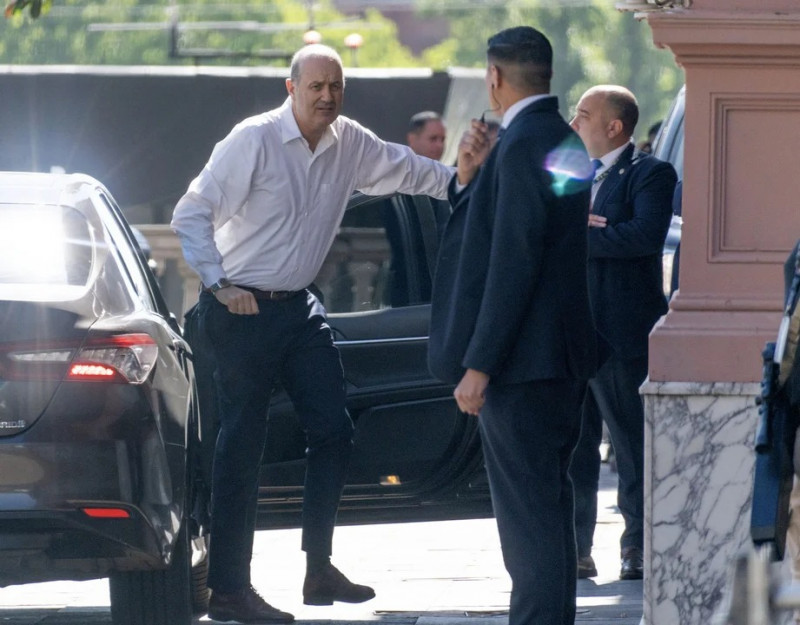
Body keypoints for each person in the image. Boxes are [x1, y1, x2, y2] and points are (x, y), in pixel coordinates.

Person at [171, 43, 454, 625]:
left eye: (336, 86)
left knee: (334, 429)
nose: (327, 96)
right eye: (316, 86)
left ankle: (318, 568)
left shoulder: (349, 141)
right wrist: (220, 283)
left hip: (298, 310)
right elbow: (190, 213)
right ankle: (229, 590)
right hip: (240, 309)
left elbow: (413, 170)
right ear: (292, 88)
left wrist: (473, 186)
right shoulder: (253, 140)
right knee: (240, 446)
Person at [428, 26, 597, 625]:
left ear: (495, 77)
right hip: (558, 358)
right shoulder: (560, 138)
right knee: (547, 512)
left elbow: (514, 261)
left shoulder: (523, 143)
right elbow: (528, 242)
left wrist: (480, 363)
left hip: (523, 364)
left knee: (529, 526)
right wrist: (470, 177)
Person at [568, 85, 677, 581]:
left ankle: (637, 546)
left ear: (613, 127)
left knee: (632, 445)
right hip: (570, 332)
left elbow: (644, 236)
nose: (574, 123)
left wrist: (583, 235)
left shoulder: (650, 173)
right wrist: (586, 232)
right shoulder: (567, 174)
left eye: (583, 115)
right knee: (574, 446)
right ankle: (575, 548)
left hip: (621, 333)